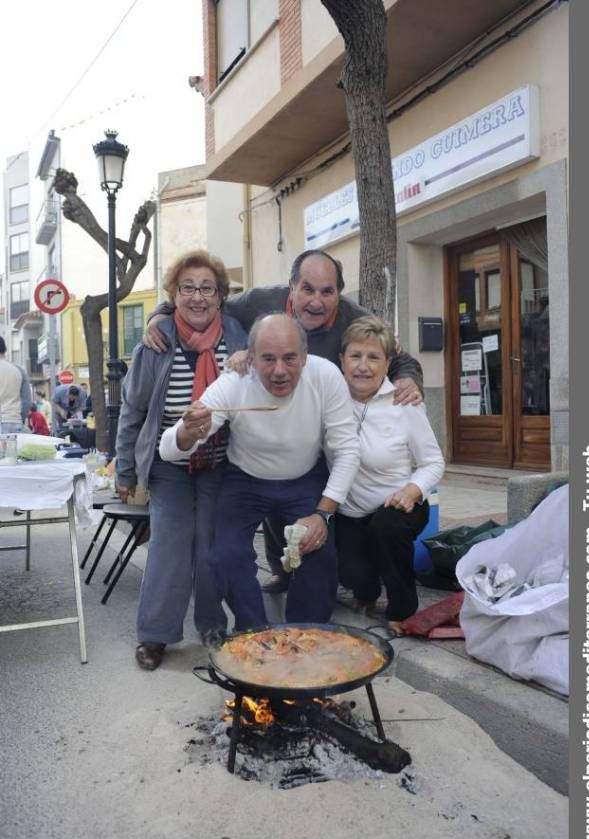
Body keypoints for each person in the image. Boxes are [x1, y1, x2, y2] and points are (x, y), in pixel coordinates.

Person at [146, 249, 425, 594]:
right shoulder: (259, 301)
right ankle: (282, 568)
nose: (317, 301)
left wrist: (409, 378)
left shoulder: (352, 315)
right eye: (307, 289)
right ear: (290, 287)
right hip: (265, 423)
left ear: (340, 292)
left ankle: (324, 571)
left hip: (326, 422)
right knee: (269, 500)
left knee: (312, 509)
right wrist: (160, 315)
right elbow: (206, 302)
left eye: (327, 292)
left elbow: (394, 353)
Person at [159, 313, 360, 631]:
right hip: (245, 481)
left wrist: (322, 515)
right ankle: (255, 632)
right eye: (268, 359)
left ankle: (304, 637)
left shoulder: (326, 377)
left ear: (305, 357)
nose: (279, 371)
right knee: (225, 556)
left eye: (290, 358)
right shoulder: (233, 384)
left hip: (305, 477)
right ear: (250, 359)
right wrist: (188, 431)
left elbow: (348, 450)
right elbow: (168, 448)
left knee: (318, 557)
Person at [116, 250, 247, 671]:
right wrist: (125, 468)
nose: (197, 297)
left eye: (207, 288)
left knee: (209, 543)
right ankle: (154, 635)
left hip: (217, 458)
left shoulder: (236, 335)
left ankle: (211, 625)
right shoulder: (154, 344)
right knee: (169, 545)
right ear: (174, 294)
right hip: (166, 461)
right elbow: (133, 411)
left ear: (220, 296)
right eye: (187, 288)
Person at [335, 316, 445, 633]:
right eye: (355, 356)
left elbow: (433, 462)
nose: (363, 366)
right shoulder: (330, 399)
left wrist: (413, 490)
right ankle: (366, 590)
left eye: (374, 357)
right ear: (342, 360)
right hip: (350, 511)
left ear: (388, 363)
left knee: (386, 529)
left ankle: (402, 607)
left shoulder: (404, 401)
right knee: (356, 577)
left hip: (397, 506)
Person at [0, 335, 32, 434]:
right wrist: (19, 419)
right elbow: (27, 401)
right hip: (13, 421)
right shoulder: (19, 370)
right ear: (5, 350)